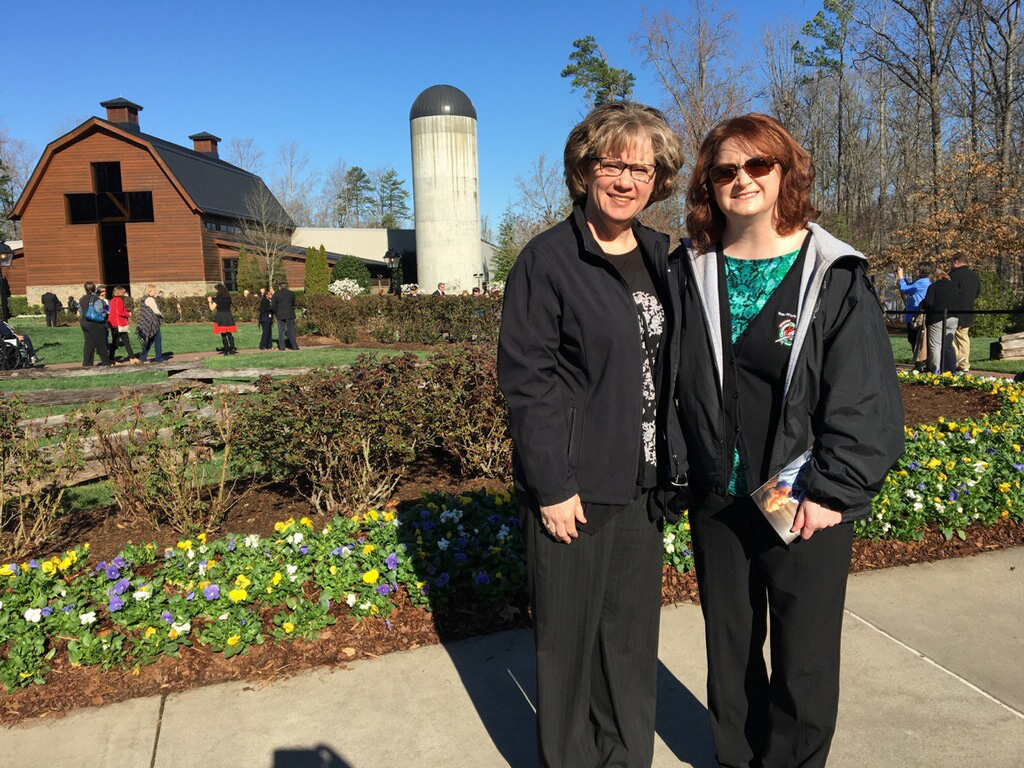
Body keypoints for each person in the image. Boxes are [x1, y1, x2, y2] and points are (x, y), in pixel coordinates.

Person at [676, 113, 904, 768]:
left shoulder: (832, 274)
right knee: (731, 652)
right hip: (719, 497)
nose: (741, 179)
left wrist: (834, 490)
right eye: (725, 169)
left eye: (758, 165)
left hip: (803, 499)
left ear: (785, 173)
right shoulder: (690, 271)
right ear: (708, 184)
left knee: (803, 662)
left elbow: (864, 396)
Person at [497, 102, 687, 768]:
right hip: (574, 488)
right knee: (568, 650)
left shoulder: (665, 257)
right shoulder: (549, 259)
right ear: (586, 167)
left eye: (643, 167)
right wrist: (552, 483)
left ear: (658, 178)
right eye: (615, 163)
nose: (627, 179)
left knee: (630, 649)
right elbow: (529, 381)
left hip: (643, 488)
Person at [920, 268, 959, 374]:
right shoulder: (954, 286)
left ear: (935, 277)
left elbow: (928, 303)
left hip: (937, 318)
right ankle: (951, 370)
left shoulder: (934, 286)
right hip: (953, 318)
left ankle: (936, 370)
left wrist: (922, 304)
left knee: (936, 345)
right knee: (948, 344)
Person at [896, 265, 931, 372]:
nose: (914, 271)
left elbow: (904, 289)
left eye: (916, 269)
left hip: (915, 317)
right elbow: (909, 286)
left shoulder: (922, 283)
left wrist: (901, 277)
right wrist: (902, 279)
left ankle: (919, 364)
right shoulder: (924, 282)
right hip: (915, 315)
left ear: (921, 271)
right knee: (916, 339)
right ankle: (921, 363)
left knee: (914, 339)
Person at [949, 252, 980, 372]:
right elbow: (977, 292)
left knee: (948, 336)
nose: (951, 264)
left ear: (956, 262)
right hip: (968, 310)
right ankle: (964, 365)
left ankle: (958, 357)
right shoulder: (974, 275)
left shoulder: (954, 275)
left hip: (954, 311)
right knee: (964, 337)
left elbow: (950, 292)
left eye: (951, 262)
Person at [79, 281, 112, 367]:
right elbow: (100, 310)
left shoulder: (82, 299)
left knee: (88, 344)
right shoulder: (95, 299)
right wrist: (106, 312)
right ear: (94, 289)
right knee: (100, 343)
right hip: (95, 323)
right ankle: (106, 362)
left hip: (84, 322)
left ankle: (87, 363)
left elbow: (80, 311)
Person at [107, 286, 139, 364]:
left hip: (113, 324)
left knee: (114, 342)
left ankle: (110, 358)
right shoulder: (119, 300)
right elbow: (120, 312)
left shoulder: (112, 300)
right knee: (126, 341)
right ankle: (132, 357)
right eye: (124, 292)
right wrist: (128, 314)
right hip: (119, 324)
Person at [136, 284, 166, 363]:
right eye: (154, 290)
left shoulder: (143, 299)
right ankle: (159, 358)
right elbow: (155, 310)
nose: (155, 292)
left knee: (149, 340)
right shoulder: (150, 299)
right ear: (149, 291)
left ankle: (142, 357)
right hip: (152, 324)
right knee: (157, 339)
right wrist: (161, 315)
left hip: (147, 323)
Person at [207, 283, 238, 355]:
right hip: (228, 315)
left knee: (223, 335)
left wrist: (209, 301)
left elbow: (211, 308)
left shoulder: (218, 299)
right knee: (229, 334)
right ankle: (232, 349)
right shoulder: (228, 298)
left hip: (221, 316)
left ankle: (226, 350)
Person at [271, 281, 298, 350]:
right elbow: (293, 303)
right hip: (289, 313)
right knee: (291, 330)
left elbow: (273, 306)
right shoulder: (291, 293)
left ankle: (282, 347)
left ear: (279, 286)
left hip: (280, 314)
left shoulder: (276, 294)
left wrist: (276, 313)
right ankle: (294, 346)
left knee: (281, 331)